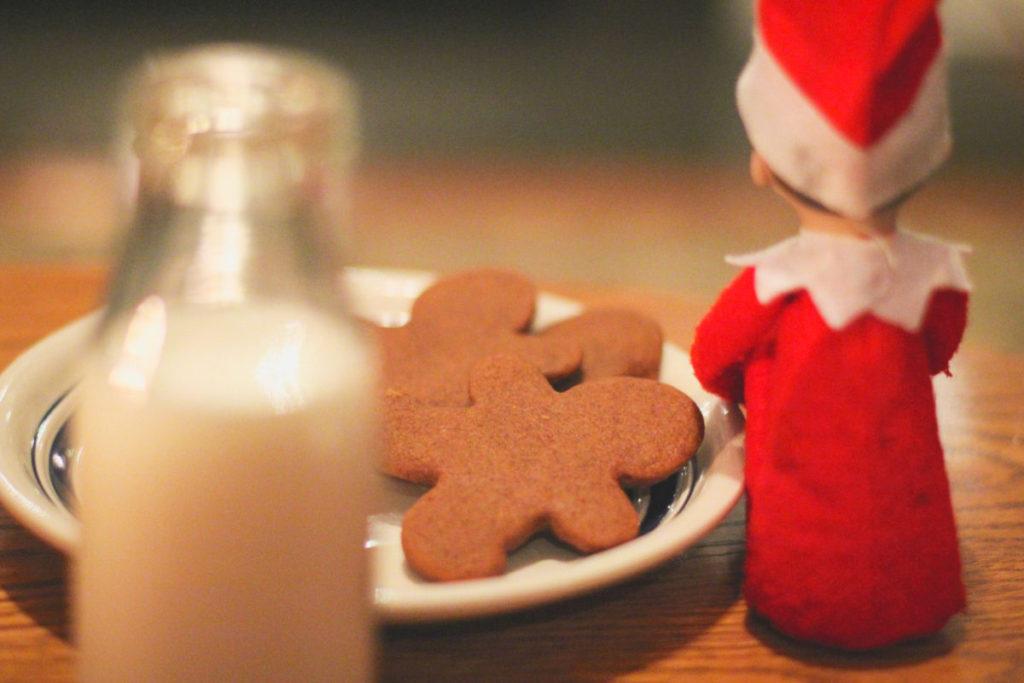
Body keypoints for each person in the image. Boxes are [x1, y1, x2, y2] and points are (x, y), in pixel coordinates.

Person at [691, 0, 970, 649]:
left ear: (766, 163)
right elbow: (941, 344)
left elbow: (710, 357)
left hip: (801, 582)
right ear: (926, 159)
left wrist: (738, 388)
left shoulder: (774, 292)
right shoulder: (929, 284)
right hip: (914, 579)